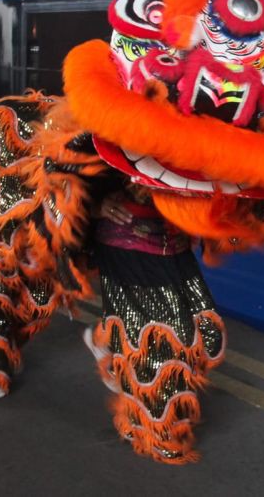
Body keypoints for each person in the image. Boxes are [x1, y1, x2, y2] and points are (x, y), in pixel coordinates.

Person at [83, 182, 225, 464]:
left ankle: (111, 344)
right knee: (164, 340)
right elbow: (59, 168)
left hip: (175, 245)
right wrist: (91, 205)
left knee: (206, 332)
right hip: (127, 242)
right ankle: (159, 430)